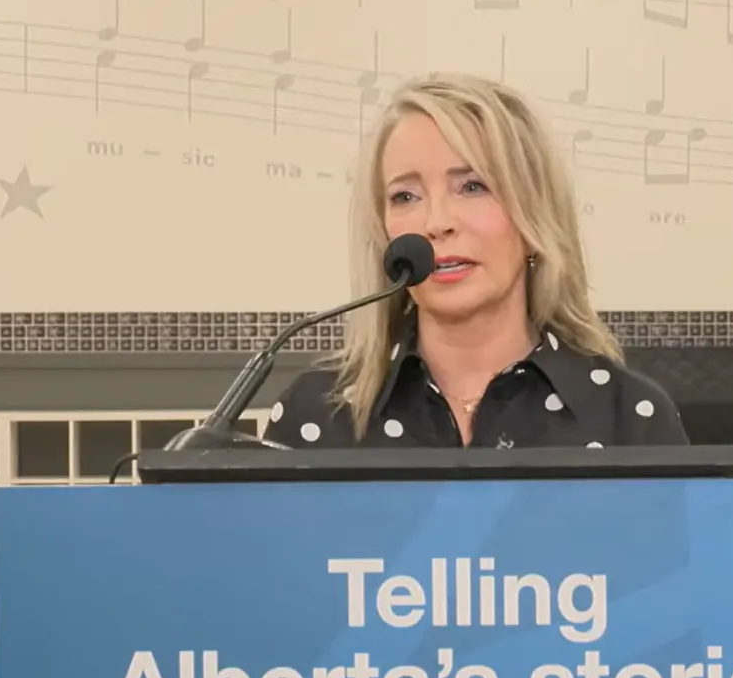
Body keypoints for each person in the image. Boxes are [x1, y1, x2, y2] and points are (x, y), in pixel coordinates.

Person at [263, 72, 688, 450]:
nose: (437, 222)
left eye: (472, 186)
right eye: (405, 196)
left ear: (534, 215)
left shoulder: (629, 417)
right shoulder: (314, 419)